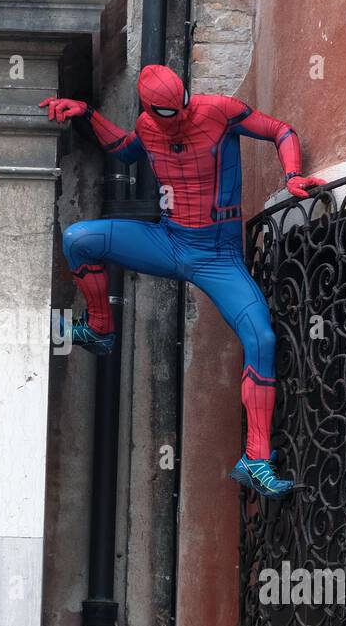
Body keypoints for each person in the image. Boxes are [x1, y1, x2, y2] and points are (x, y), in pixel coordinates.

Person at [41, 64, 325, 498]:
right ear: (151, 110)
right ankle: (99, 329)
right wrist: (86, 113)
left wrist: (292, 175)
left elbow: (281, 130)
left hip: (217, 255)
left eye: (184, 106)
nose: (182, 116)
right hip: (169, 241)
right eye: (169, 113)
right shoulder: (147, 125)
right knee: (79, 238)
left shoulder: (220, 112)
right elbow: (127, 150)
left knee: (261, 339)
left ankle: (256, 459)